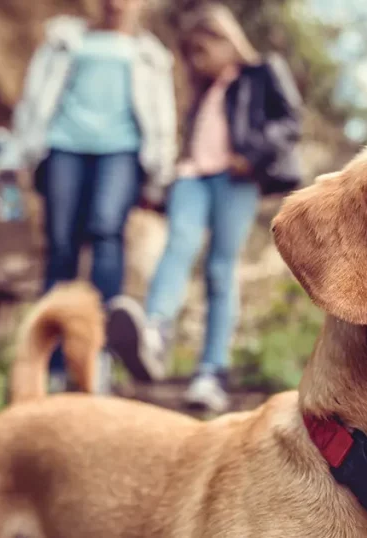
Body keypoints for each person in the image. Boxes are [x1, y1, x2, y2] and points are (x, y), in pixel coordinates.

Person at [106, 3, 303, 413]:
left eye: (202, 50)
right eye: (191, 53)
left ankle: (211, 372)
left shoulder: (262, 72)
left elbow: (289, 121)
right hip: (193, 178)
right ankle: (155, 334)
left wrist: (251, 156)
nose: (197, 61)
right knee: (177, 245)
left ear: (226, 40)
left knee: (219, 268)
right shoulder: (204, 92)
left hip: (236, 179)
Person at [0, 0, 177, 393]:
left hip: (122, 152)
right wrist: (14, 155)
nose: (116, 4)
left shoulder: (150, 55)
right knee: (61, 247)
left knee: (107, 235)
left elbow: (162, 116)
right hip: (62, 147)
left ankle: (97, 359)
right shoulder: (63, 41)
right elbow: (33, 103)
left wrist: (160, 172)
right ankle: (52, 364)